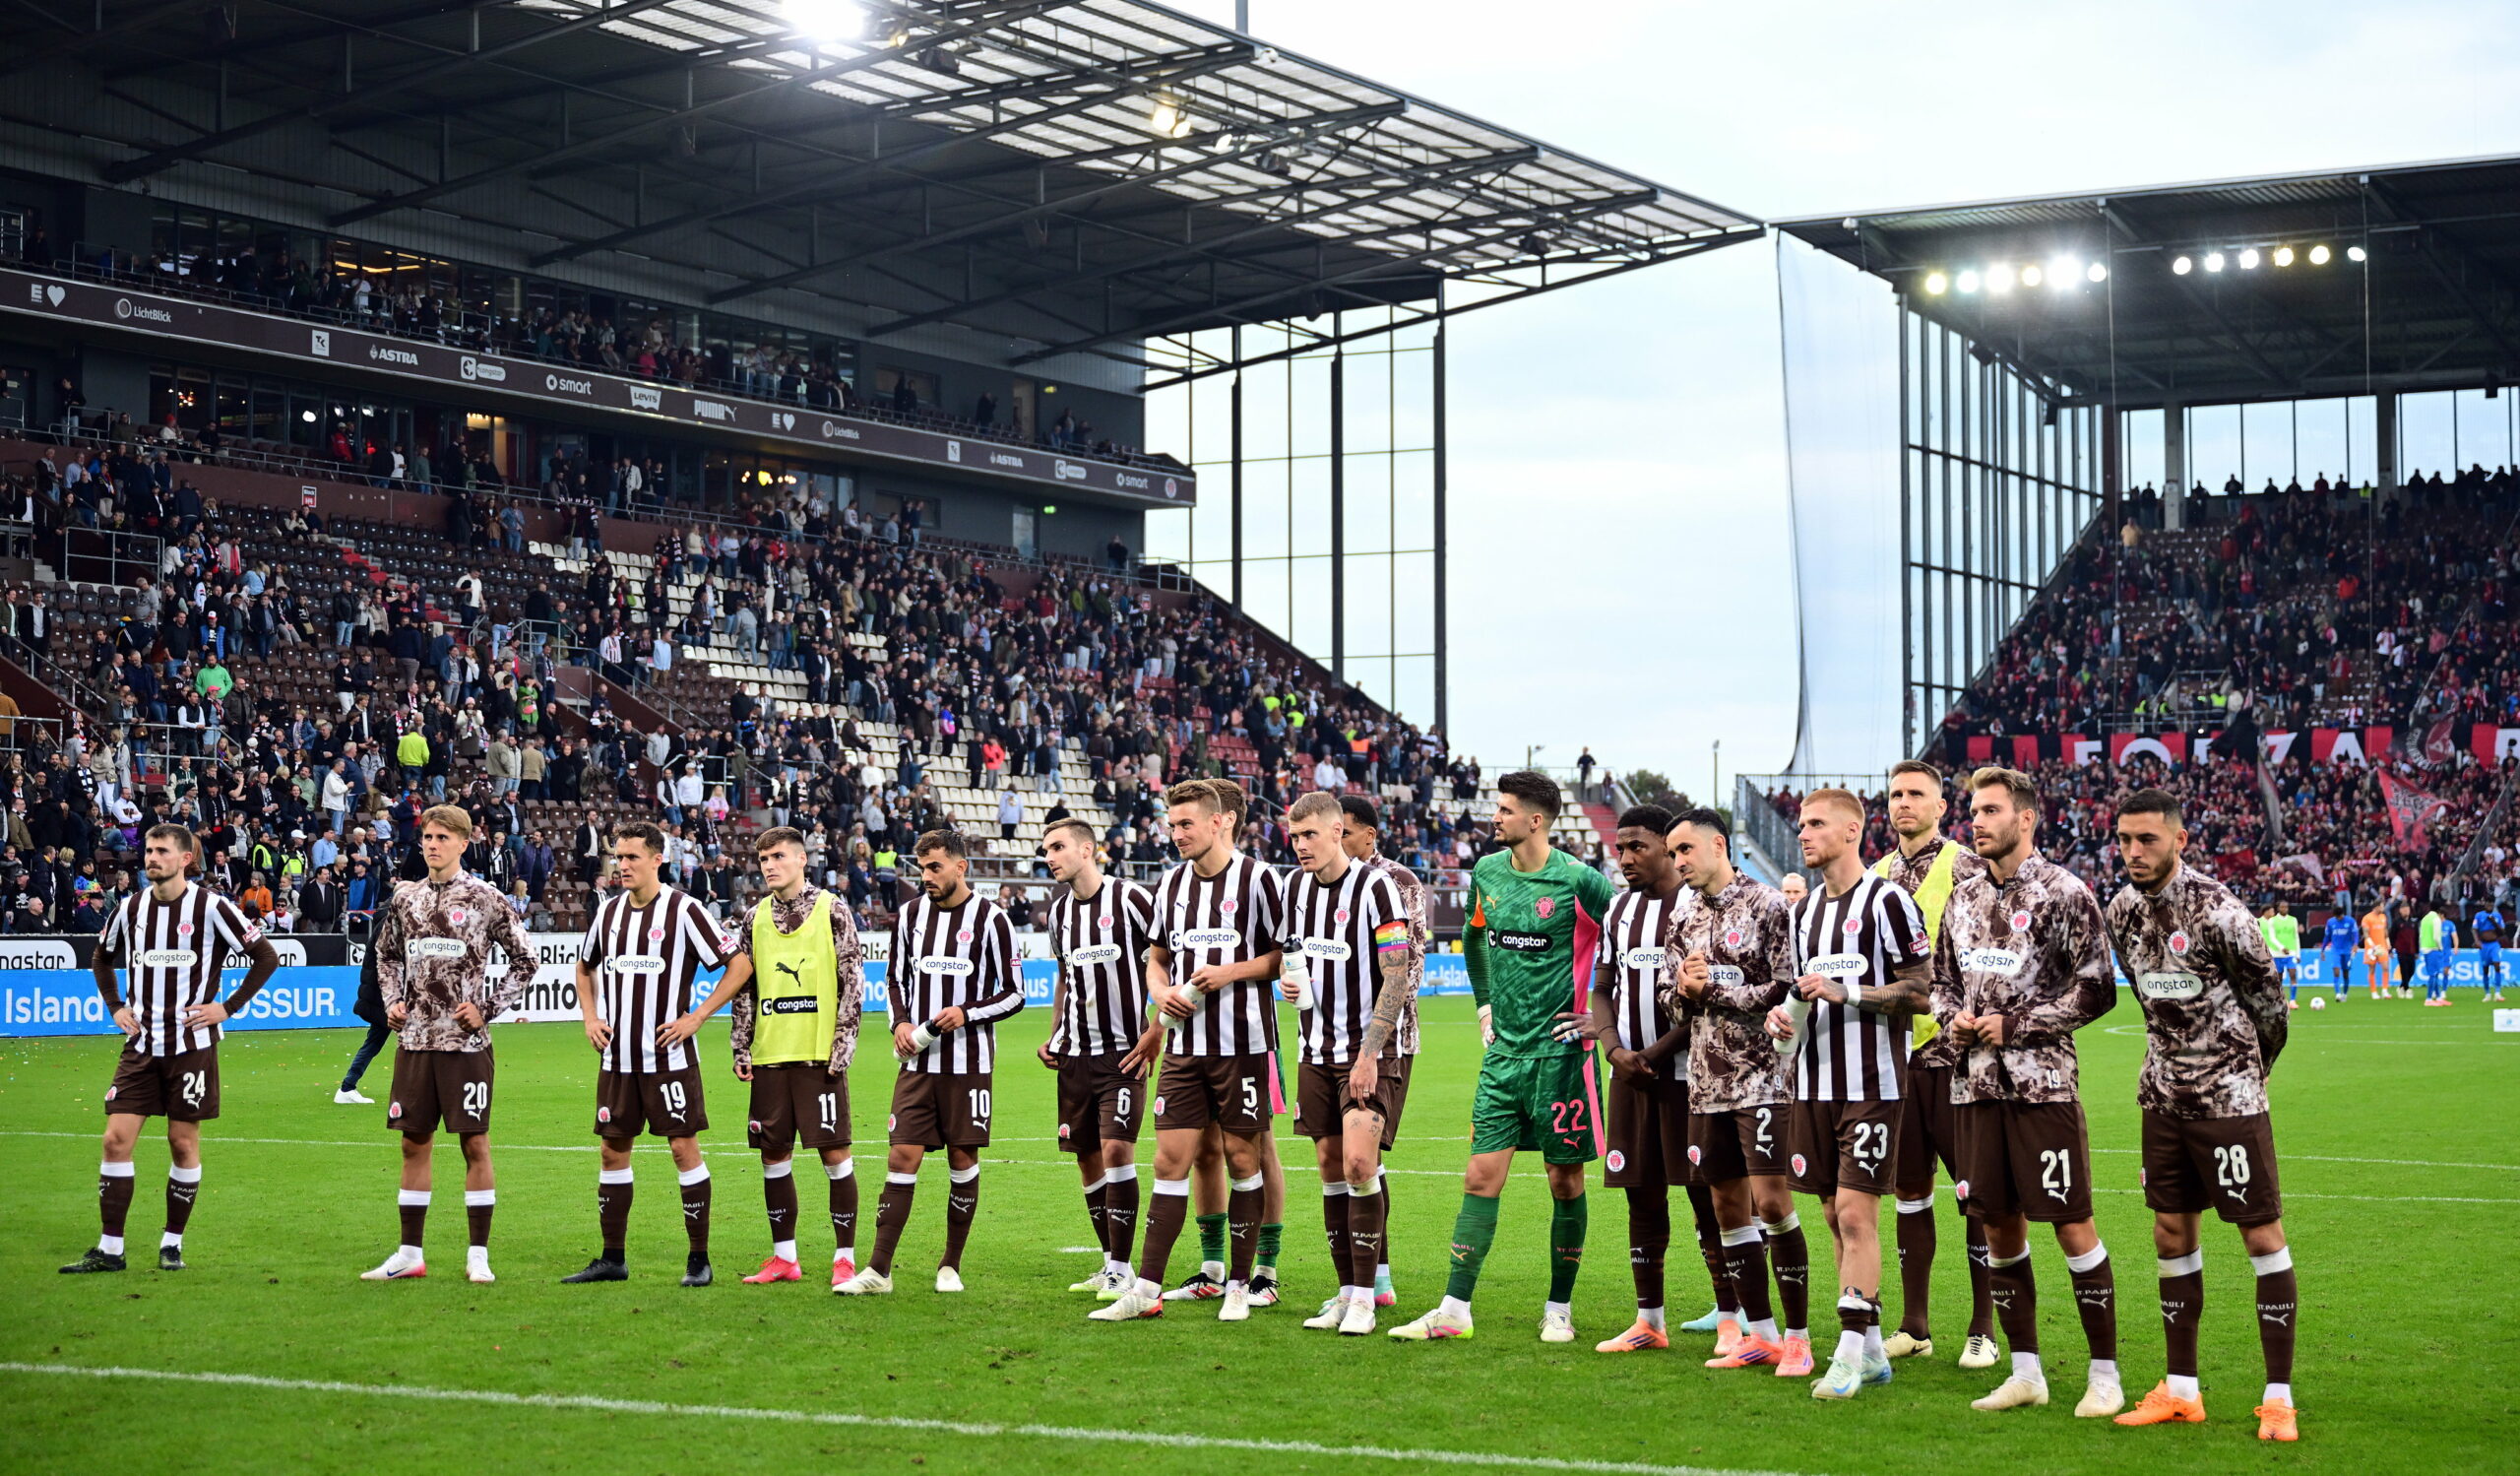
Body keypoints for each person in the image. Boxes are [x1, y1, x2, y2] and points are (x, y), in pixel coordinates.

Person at [1389, 771, 1611, 1345]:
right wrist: (1485, 1007)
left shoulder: (1581, 882)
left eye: (1505, 809)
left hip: (1563, 1059)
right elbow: (1475, 940)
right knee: (1479, 1176)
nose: (1495, 818)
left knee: (1565, 1182)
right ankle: (1454, 1308)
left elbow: (1630, 948)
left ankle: (1559, 1307)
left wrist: (1602, 1020)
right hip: (1503, 1057)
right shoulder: (1487, 872)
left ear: (1535, 820)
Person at [2104, 790, 2300, 1443]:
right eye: (2125, 839)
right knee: (2169, 1232)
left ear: (2179, 840)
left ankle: (2278, 1396)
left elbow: (2271, 1007)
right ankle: (2181, 1388)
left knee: (2260, 1236)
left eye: (2147, 839)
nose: (2133, 851)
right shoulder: (2121, 912)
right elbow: (2147, 995)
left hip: (2229, 1101)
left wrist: (2246, 1071)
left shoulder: (2221, 911)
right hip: (2162, 1098)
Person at [1926, 767, 2122, 1417]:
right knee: (1999, 1226)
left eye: (1989, 810)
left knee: (2072, 1224)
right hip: (1974, 1086)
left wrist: (2017, 1024)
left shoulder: (2066, 891)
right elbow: (1940, 981)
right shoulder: (1963, 897)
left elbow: (2098, 988)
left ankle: (2104, 1375)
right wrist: (1952, 1013)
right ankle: (2027, 1370)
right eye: (1972, 810)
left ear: (2026, 818)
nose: (1975, 821)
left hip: (2043, 1087)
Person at [1091, 780, 1286, 1325]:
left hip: (1243, 1046)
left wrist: (1229, 972)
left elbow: (1283, 957)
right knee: (1169, 1160)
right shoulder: (1171, 883)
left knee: (1244, 1159)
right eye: (1171, 825)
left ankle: (1243, 1285)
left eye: (1185, 824)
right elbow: (1155, 957)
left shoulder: (1260, 880)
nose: (1175, 835)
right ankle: (1147, 1287)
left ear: (1220, 821)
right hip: (1183, 1048)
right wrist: (1159, 992)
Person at [60, 824, 280, 1275]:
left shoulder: (213, 907)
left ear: (184, 858)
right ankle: (111, 1250)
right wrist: (116, 1006)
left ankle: (172, 1244)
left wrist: (228, 1007)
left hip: (192, 1047)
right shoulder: (130, 908)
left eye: (161, 851)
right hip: (140, 1046)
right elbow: (102, 957)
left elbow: (267, 956)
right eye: (148, 850)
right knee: (115, 1140)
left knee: (182, 1144)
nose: (151, 858)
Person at [1775, 790, 1931, 1400]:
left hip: (1873, 1083)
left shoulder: (1889, 900)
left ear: (1851, 831)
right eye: (1802, 824)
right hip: (1811, 1082)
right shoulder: (1803, 911)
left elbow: (1921, 991)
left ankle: (1844, 1353)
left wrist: (1853, 993)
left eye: (1817, 825)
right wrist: (1781, 1017)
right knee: (1830, 1215)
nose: (1805, 834)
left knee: (1855, 1213)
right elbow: (1802, 990)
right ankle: (1871, 1351)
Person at [668, 826, 866, 1289]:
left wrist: (845, 1043)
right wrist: (740, 1044)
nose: (769, 865)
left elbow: (853, 979)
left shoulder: (832, 909)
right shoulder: (754, 917)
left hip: (820, 1056)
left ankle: (844, 1257)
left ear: (801, 860)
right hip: (770, 1057)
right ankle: (785, 1258)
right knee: (773, 1157)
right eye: (763, 860)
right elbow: (744, 986)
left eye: (778, 856)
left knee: (835, 1155)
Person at [1581, 802, 1739, 1356]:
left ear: (1670, 850)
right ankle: (1649, 1320)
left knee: (1707, 1197)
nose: (1624, 858)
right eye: (1619, 848)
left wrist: (1651, 1052)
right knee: (1641, 1198)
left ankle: (1730, 1317)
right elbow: (1603, 986)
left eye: (1637, 847)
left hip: (1689, 1076)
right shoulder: (1621, 911)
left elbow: (1702, 1001)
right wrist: (1613, 1048)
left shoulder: (1703, 907)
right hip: (1629, 1075)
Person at [838, 829, 1022, 1296]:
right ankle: (879, 1271)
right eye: (921, 868)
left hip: (969, 1065)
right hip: (918, 1065)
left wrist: (966, 1013)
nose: (926, 877)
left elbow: (1016, 994)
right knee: (902, 1156)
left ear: (961, 867)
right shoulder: (910, 916)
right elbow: (895, 979)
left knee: (963, 1158)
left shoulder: (993, 919)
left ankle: (950, 1265)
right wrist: (899, 1022)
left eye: (935, 867)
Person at [1660, 806, 1809, 1374]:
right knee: (1726, 1207)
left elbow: (1789, 986)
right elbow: (1668, 1000)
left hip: (1763, 1079)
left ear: (1717, 845)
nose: (1678, 862)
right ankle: (1763, 1335)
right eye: (1673, 854)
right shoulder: (1683, 917)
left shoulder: (1770, 905)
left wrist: (1715, 993)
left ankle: (1798, 1337)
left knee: (1771, 1201)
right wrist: (1682, 987)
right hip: (1704, 1083)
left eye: (1684, 850)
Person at [363, 804, 535, 1284]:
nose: (432, 844)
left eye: (442, 837)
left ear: (464, 842)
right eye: (428, 837)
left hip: (465, 1046)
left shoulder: (485, 898)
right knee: (413, 1144)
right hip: (415, 1042)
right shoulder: (405, 897)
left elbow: (526, 959)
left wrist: (488, 1007)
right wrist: (394, 1000)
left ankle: (478, 1254)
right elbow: (386, 954)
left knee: (474, 1144)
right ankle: (408, 1254)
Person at [562, 822, 733, 1287]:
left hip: (669, 1059)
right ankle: (611, 1259)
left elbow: (739, 964)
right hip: (616, 1060)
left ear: (658, 860)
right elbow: (584, 966)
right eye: (618, 857)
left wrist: (696, 1017)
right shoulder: (608, 913)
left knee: (683, 1149)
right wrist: (590, 1016)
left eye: (632, 857)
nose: (621, 866)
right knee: (612, 1151)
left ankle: (699, 1260)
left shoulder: (686, 911)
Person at [1276, 792, 1420, 1337]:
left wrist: (1368, 1054)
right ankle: (1344, 1291)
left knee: (1360, 1166)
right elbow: (1294, 952)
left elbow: (1397, 973)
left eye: (1310, 835)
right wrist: (1293, 983)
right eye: (1294, 837)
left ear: (1339, 832)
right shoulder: (1293, 889)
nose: (1301, 846)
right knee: (1331, 1170)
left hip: (1367, 1053)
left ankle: (1365, 1295)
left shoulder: (1377, 887)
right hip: (1313, 1049)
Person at [1869, 760, 1998, 1370]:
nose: (1903, 803)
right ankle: (1915, 1324)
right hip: (1895, 1059)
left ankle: (1982, 1326)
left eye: (1916, 794)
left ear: (1942, 806)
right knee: (1909, 1191)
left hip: (1957, 1057)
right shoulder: (1875, 875)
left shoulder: (1969, 866)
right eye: (1895, 794)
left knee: (1975, 1194)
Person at [1040, 817, 1162, 1304]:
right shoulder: (1058, 915)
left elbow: (1166, 960)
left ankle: (1122, 1268)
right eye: (1046, 849)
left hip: (1122, 1052)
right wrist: (1054, 1037)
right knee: (1087, 1159)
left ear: (1088, 850)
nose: (1049, 857)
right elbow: (1065, 980)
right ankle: (1112, 1262)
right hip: (1075, 1055)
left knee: (1116, 1152)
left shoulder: (1130, 900)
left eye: (1058, 847)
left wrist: (1155, 1030)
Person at [1338, 794, 1422, 1308]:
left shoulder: (1398, 882)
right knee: (1350, 1164)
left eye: (1345, 831)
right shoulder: (1321, 883)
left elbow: (1407, 968)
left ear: (1369, 834)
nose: (1336, 840)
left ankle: (1376, 1284)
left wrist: (1372, 1031)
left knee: (1363, 1160)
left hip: (1386, 1040)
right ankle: (1371, 1281)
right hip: (1329, 1042)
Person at [336, 934, 390, 1105]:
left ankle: (348, 1086)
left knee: (373, 1043)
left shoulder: (384, 924)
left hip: (380, 999)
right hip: (385, 1000)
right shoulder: (389, 926)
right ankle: (347, 1087)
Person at [2260, 903, 2300, 1008]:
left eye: (2286, 907)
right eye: (2282, 907)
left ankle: (2292, 1000)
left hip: (2291, 953)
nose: (2284, 909)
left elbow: (2296, 936)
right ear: (2278, 908)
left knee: (2293, 974)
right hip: (2277, 953)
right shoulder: (2272, 920)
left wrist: (2298, 953)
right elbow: (2272, 937)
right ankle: (2280, 1000)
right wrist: (2281, 948)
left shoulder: (2293, 919)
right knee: (2279, 978)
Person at [2319, 907, 2358, 1004]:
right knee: (2336, 971)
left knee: (2345, 973)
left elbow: (2355, 934)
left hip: (2347, 951)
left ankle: (2344, 994)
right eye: (2337, 917)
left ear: (2342, 915)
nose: (2338, 919)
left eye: (2339, 917)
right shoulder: (2330, 922)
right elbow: (2327, 937)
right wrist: (2322, 950)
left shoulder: (2350, 921)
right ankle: (2337, 994)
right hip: (2335, 950)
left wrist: (2355, 945)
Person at [2418, 905, 2453, 1006]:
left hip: (2425, 948)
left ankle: (2438, 997)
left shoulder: (2424, 919)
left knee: (2435, 974)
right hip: (2434, 949)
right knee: (2433, 974)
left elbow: (2421, 935)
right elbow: (2437, 937)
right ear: (2439, 912)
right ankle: (2428, 999)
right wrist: (2440, 947)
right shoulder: (2436, 919)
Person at [2358, 901, 2392, 1000]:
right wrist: (2373, 946)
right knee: (2372, 969)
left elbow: (2385, 931)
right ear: (2377, 907)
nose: (2383, 908)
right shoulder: (2367, 918)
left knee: (2385, 967)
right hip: (2371, 949)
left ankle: (2385, 991)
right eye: (2382, 906)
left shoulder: (2383, 917)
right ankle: (2374, 992)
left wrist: (2388, 942)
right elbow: (2366, 935)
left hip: (2382, 947)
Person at [2476, 900, 2508, 1002]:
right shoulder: (2479, 915)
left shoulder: (2497, 916)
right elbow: (2474, 929)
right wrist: (2477, 941)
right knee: (2485, 970)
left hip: (2494, 944)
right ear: (2484, 904)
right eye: (2488, 904)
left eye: (2491, 904)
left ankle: (2498, 993)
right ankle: (2487, 994)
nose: (2490, 906)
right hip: (2484, 945)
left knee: (2497, 966)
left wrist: (2493, 922)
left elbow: (2502, 932)